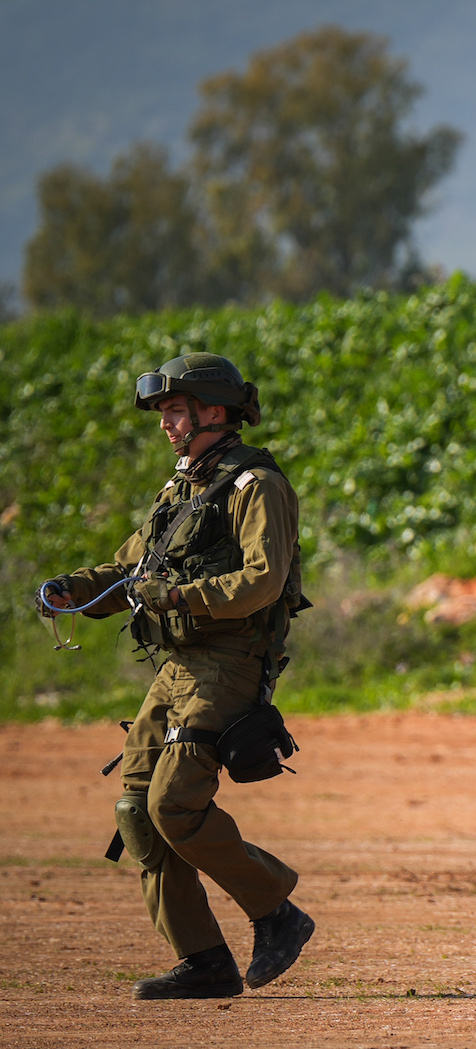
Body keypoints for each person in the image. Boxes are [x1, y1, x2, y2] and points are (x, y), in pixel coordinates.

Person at [36, 353, 315, 1000]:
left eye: (174, 411)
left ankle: (277, 911)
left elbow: (261, 581)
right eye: (162, 413)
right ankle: (205, 960)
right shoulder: (181, 492)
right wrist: (70, 589)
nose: (165, 425)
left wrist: (182, 597)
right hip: (176, 668)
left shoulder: (256, 486)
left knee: (173, 805)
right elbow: (129, 570)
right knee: (136, 808)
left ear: (213, 412)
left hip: (226, 666)